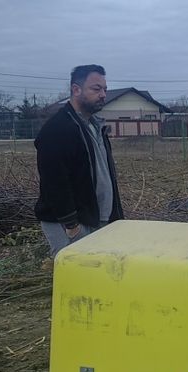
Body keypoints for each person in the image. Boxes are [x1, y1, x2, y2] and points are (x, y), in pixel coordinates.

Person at [35, 64, 123, 256]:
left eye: (105, 89)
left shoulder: (95, 126)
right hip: (72, 225)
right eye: (96, 89)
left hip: (98, 219)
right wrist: (72, 226)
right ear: (76, 89)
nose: (103, 95)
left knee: (96, 277)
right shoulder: (57, 129)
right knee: (76, 278)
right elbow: (54, 182)